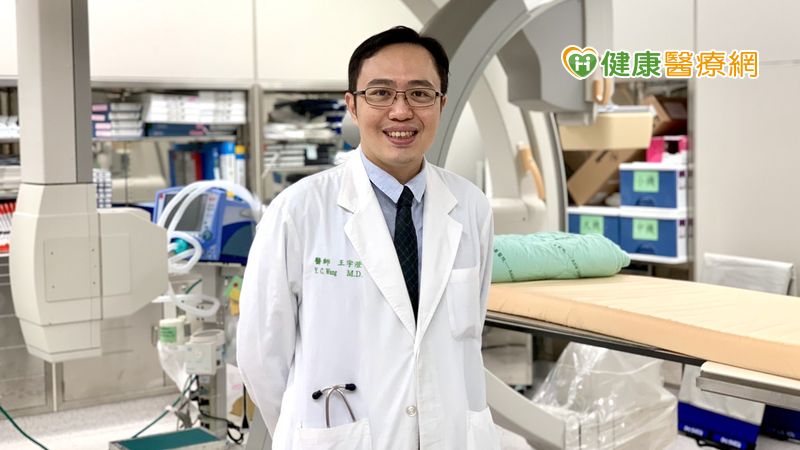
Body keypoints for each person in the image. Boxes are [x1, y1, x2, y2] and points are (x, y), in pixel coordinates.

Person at [237, 26, 499, 449]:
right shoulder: (298, 211)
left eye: (420, 93)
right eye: (380, 93)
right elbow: (260, 357)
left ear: (441, 104)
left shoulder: (470, 206)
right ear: (353, 106)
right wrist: (313, 432)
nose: (401, 111)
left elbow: (470, 336)